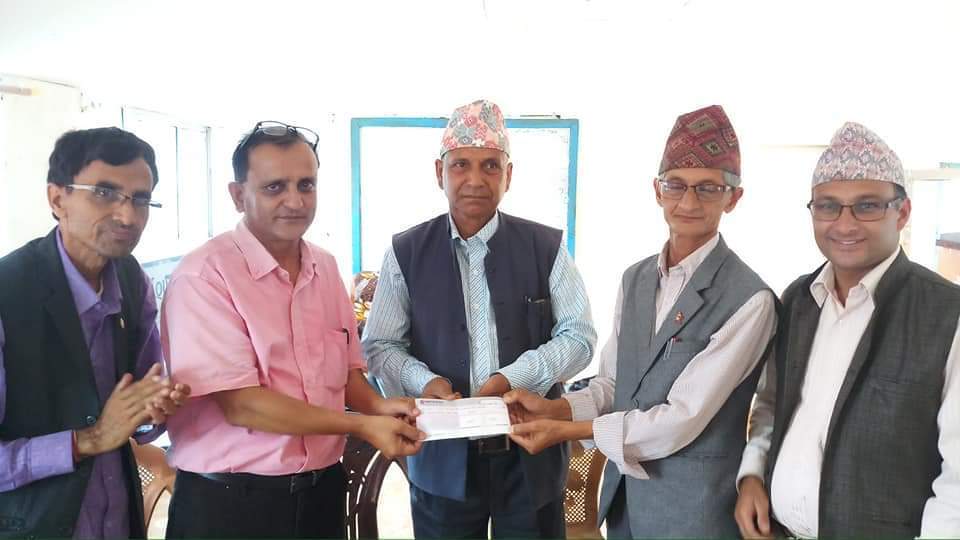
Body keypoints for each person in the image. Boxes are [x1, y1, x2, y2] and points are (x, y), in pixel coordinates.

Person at [506, 105, 776, 537]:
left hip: (693, 513)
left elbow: (681, 419)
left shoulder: (750, 300)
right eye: (676, 185)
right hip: (626, 502)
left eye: (708, 188)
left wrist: (563, 429)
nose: (688, 202)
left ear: (734, 197)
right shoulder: (636, 279)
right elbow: (614, 384)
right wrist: (553, 407)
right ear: (657, 190)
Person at [161, 121, 424, 539]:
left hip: (320, 493)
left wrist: (376, 406)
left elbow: (346, 372)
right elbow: (243, 405)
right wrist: (360, 425)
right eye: (274, 187)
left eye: (306, 185)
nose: (295, 201)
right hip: (231, 504)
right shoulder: (204, 277)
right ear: (237, 195)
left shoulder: (325, 267)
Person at [363, 100, 597, 538]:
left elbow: (579, 337)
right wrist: (425, 382)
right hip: (441, 457)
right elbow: (379, 347)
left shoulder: (545, 248)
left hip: (529, 451)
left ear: (509, 175)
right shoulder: (406, 252)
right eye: (461, 165)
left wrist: (512, 378)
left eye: (490, 165)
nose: (475, 180)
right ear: (440, 172)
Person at [734, 122, 960, 538]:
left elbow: (957, 481)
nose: (845, 224)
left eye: (867, 206)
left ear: (902, 212)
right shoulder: (799, 300)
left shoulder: (946, 314)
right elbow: (771, 404)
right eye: (828, 206)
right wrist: (752, 475)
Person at [0, 127, 189, 538]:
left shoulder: (131, 280)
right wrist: (86, 440)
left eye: (141, 199)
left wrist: (153, 409)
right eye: (104, 193)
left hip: (118, 520)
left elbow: (140, 408)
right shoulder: (9, 292)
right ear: (57, 199)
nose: (128, 216)